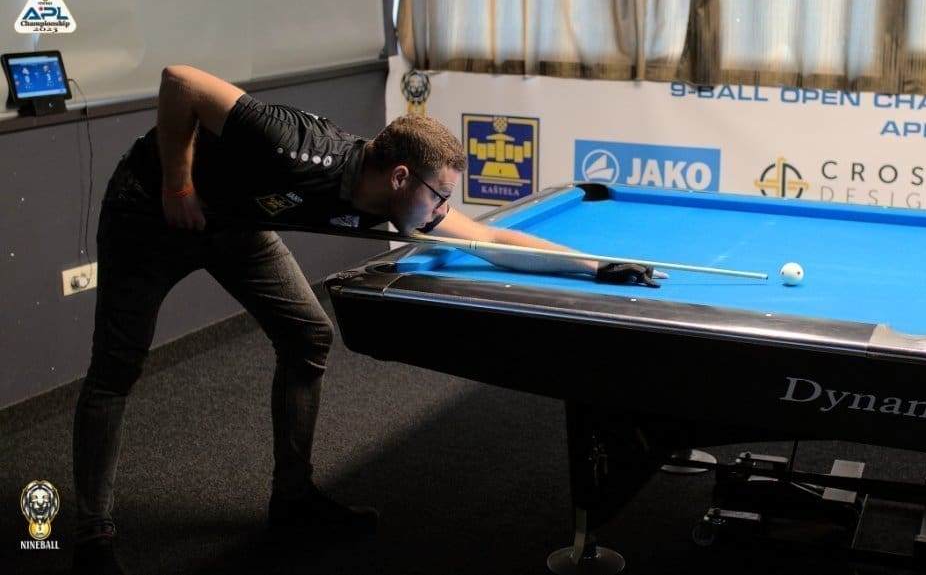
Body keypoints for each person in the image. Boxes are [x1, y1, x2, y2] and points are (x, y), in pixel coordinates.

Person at [72, 64, 662, 575]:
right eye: (439, 196)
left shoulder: (403, 198)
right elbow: (180, 81)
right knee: (116, 369)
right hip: (148, 212)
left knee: (307, 334)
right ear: (400, 176)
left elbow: (487, 239)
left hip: (236, 225)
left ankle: (293, 499)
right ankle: (93, 535)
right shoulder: (292, 143)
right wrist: (178, 186)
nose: (444, 211)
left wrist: (592, 265)